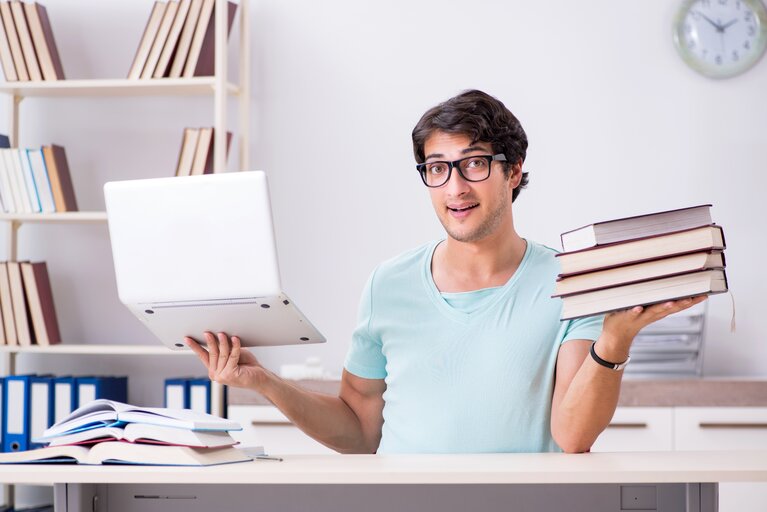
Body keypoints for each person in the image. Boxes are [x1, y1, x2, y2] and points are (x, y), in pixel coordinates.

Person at [185, 90, 706, 454]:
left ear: (514, 171)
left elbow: (573, 437)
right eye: (438, 168)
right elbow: (361, 431)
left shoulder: (568, 281)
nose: (455, 187)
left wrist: (614, 342)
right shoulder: (387, 285)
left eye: (474, 163)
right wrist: (265, 383)